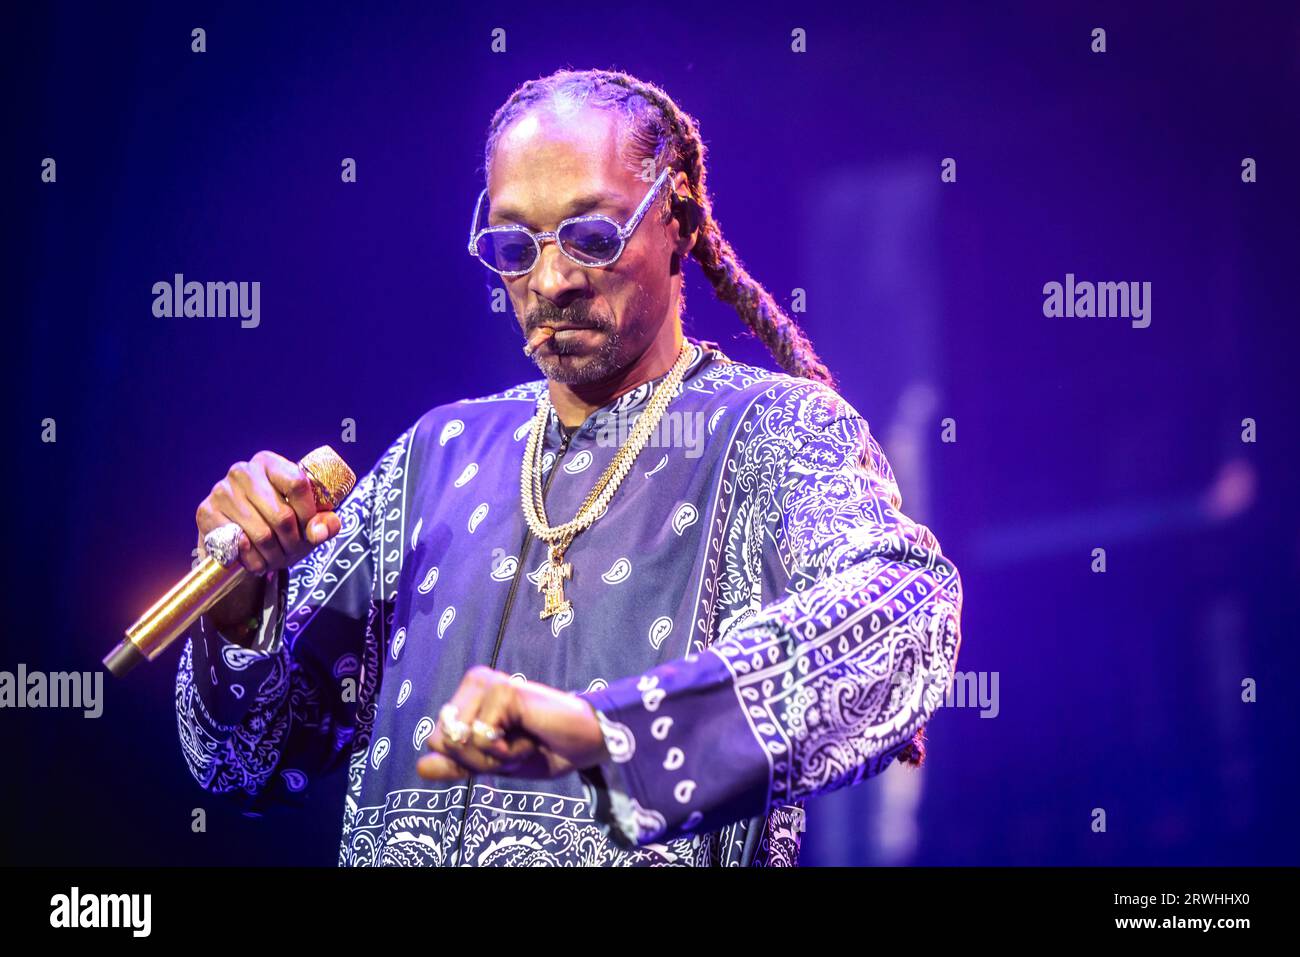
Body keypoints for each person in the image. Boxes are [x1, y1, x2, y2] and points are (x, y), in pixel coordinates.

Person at [175, 68, 964, 866]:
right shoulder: (436, 455)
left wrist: (614, 733)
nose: (550, 281)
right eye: (515, 247)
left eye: (593, 236)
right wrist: (240, 611)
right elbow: (241, 763)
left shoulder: (772, 431)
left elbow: (905, 619)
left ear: (679, 219)